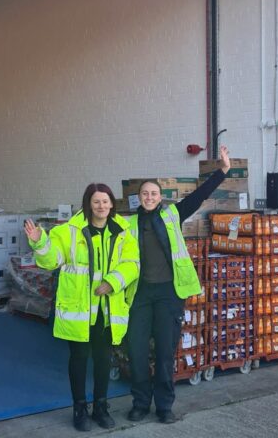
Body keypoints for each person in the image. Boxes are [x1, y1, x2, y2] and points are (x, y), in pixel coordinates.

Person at [125, 145, 232, 424]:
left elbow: (198, 197)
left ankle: (163, 406)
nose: (149, 197)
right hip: (139, 295)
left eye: (154, 194)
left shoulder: (172, 215)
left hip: (168, 294)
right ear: (138, 199)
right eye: (144, 194)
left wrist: (222, 172)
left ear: (161, 197)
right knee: (136, 352)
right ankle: (139, 403)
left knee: (164, 353)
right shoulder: (127, 225)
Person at [24, 183, 140, 432]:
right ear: (88, 203)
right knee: (78, 359)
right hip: (79, 309)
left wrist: (111, 282)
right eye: (96, 201)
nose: (101, 206)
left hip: (107, 310)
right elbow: (52, 260)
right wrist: (39, 242)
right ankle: (79, 409)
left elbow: (133, 263)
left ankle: (101, 406)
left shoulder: (123, 231)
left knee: (103, 359)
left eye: (106, 201)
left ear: (112, 204)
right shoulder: (69, 231)